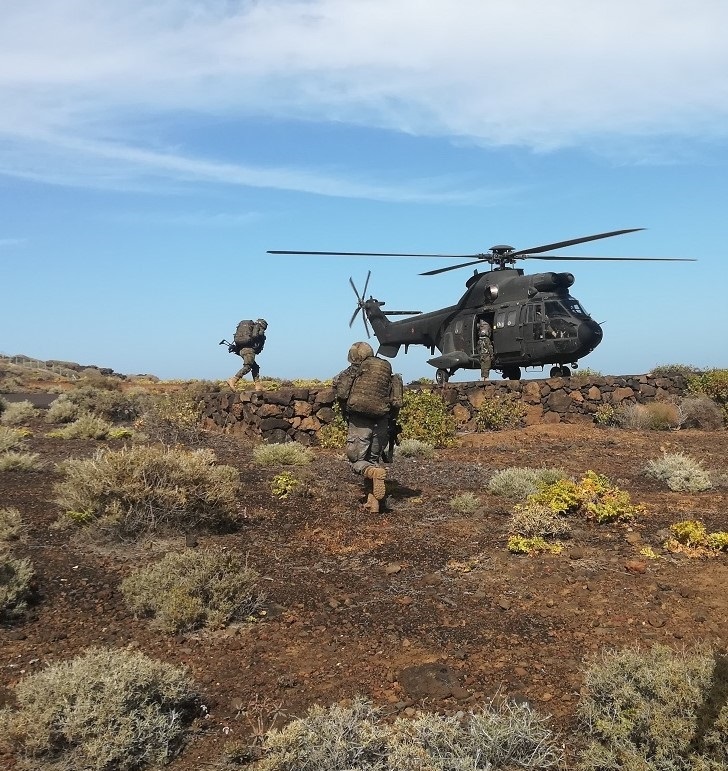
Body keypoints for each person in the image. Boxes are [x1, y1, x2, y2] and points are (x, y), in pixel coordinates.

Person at [333, 341, 403, 514]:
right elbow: (396, 402)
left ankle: (372, 473)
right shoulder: (385, 371)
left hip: (360, 420)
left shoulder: (353, 371)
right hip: (382, 420)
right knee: (373, 460)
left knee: (357, 461)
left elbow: (341, 392)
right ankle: (374, 504)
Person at [227, 318, 267, 391]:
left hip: (241, 350)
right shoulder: (258, 330)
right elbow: (257, 338)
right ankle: (233, 380)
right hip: (249, 350)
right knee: (247, 366)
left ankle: (258, 386)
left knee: (255, 367)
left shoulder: (248, 330)